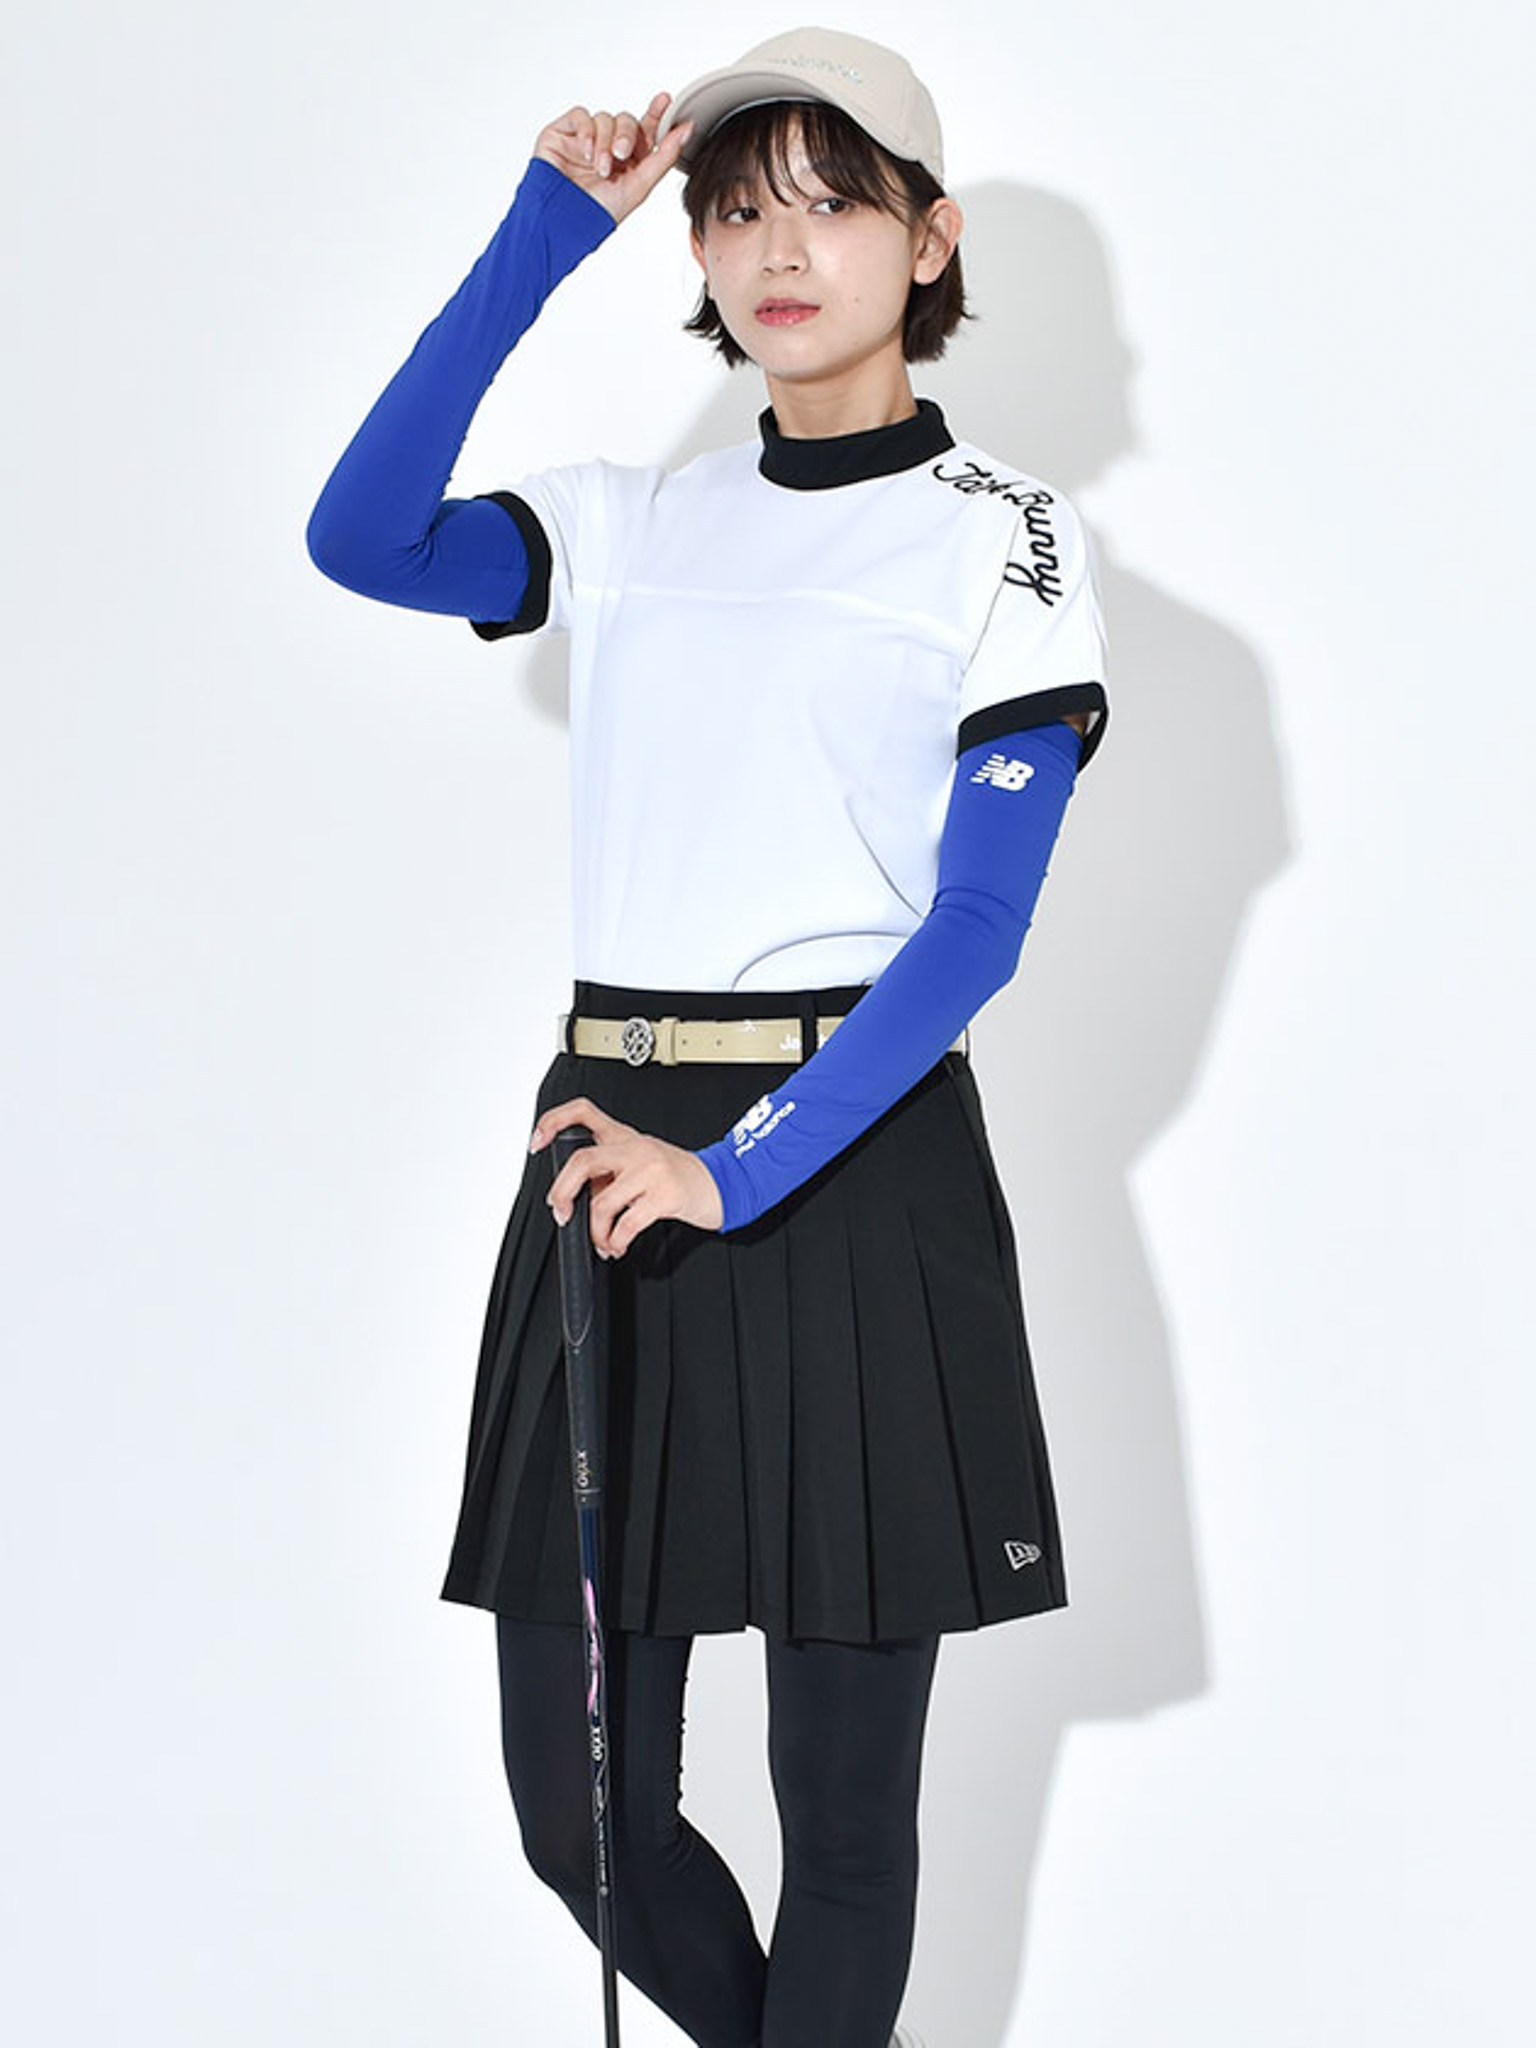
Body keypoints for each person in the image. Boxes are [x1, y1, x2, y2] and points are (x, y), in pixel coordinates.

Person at [306, 26, 1109, 2048]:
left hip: (850, 1154)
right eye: (736, 208)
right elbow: (361, 536)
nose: (779, 247)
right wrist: (537, 236)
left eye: (833, 202)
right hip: (609, 1154)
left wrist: (734, 1169)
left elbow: (976, 933)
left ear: (930, 239)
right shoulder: (633, 520)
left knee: (840, 1816)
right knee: (578, 1815)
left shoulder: (1006, 534)